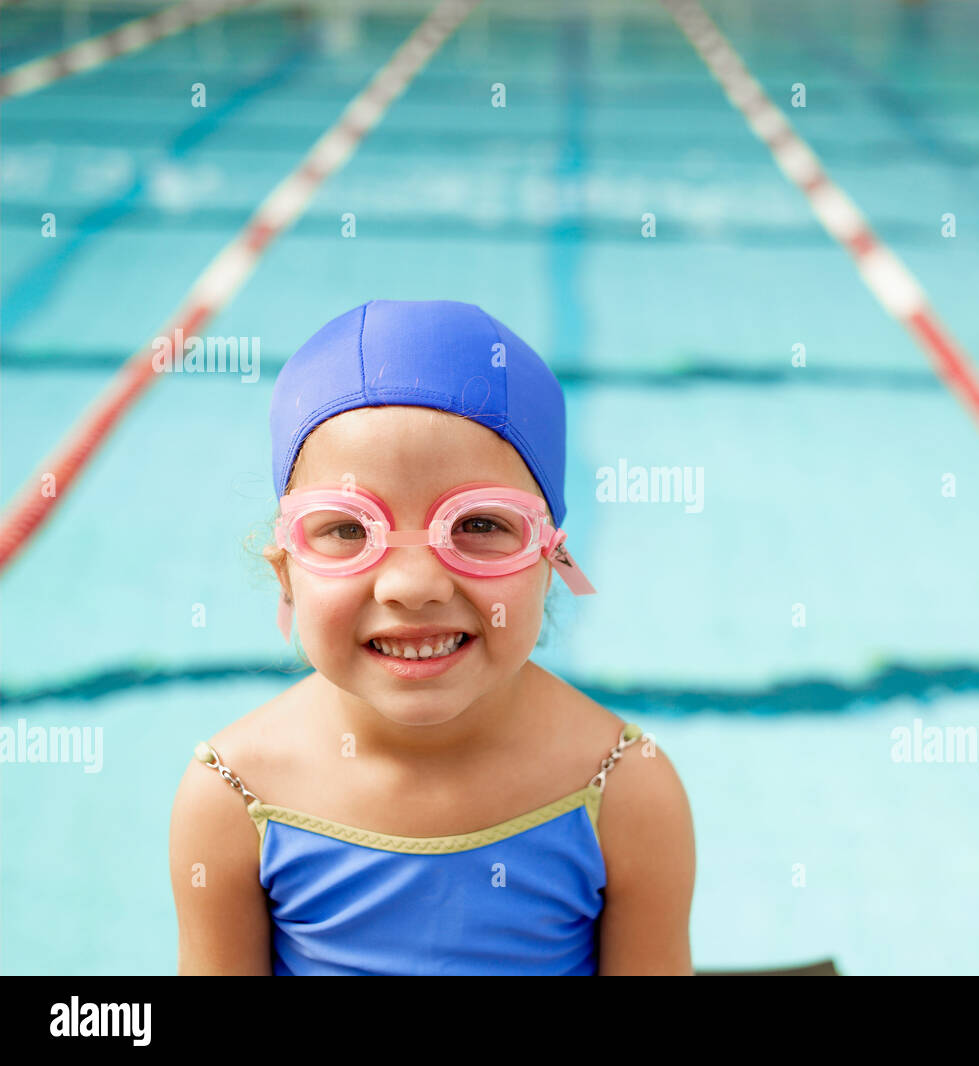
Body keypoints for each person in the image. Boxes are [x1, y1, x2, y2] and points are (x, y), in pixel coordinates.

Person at [169, 299, 695, 975]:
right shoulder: (233, 793)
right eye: (348, 530)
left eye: (478, 525)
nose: (412, 586)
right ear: (287, 575)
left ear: (551, 559)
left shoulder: (622, 789)